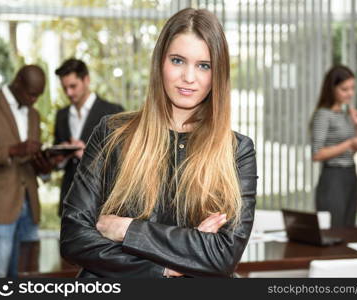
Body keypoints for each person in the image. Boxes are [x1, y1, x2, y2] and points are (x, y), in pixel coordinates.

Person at [60, 8, 257, 278]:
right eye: (177, 61)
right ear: (160, 63)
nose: (189, 77)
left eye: (204, 65)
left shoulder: (237, 151)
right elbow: (74, 238)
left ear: (217, 74)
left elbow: (223, 256)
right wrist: (165, 266)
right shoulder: (113, 133)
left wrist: (127, 230)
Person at [0, 65, 54, 277]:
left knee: (26, 275)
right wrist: (12, 150)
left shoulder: (34, 115)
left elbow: (32, 162)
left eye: (38, 96)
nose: (34, 100)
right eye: (31, 94)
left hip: (29, 206)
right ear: (18, 82)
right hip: (0, 207)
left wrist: (45, 166)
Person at [54, 58, 124, 216]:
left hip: (102, 202)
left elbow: (122, 159)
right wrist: (60, 156)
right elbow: (57, 160)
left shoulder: (113, 111)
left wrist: (88, 154)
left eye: (73, 86)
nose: (69, 93)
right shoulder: (61, 115)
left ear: (86, 80)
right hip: (69, 201)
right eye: (64, 88)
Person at [311, 65, 357, 228]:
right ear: (332, 89)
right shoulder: (323, 115)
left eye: (352, 88)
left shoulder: (344, 115)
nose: (350, 93)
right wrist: (348, 143)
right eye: (345, 89)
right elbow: (317, 154)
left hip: (350, 175)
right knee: (334, 229)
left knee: (348, 229)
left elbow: (352, 150)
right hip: (333, 178)